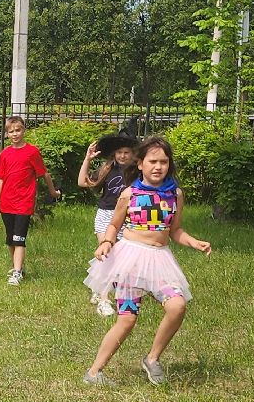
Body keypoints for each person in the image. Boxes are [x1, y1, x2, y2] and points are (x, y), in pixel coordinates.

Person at [83, 135, 211, 386]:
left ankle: (152, 358)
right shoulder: (129, 194)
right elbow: (114, 225)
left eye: (164, 162)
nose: (158, 166)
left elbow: (175, 231)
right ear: (140, 163)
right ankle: (94, 372)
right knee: (127, 319)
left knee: (177, 306)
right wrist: (106, 243)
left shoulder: (175, 194)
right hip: (130, 261)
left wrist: (193, 241)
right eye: (153, 161)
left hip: (160, 261)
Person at [0, 115, 60, 287]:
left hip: (24, 203)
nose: (15, 134)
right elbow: (1, 179)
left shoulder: (32, 152)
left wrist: (53, 191)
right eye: (11, 131)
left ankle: (17, 273)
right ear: (7, 134)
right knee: (10, 239)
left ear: (24, 130)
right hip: (7, 203)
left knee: (19, 238)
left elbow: (44, 173)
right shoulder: (5, 154)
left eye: (18, 130)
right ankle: (17, 267)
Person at [78, 134, 136, 318]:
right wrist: (87, 159)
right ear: (114, 154)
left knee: (121, 258)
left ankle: (99, 286)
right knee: (107, 254)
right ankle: (104, 299)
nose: (123, 156)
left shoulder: (137, 173)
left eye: (127, 152)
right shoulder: (107, 170)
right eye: (119, 152)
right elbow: (82, 182)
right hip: (105, 215)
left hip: (126, 217)